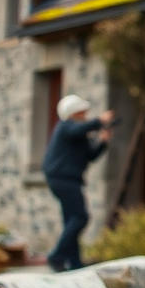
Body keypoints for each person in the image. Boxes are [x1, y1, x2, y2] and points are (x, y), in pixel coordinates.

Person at [42, 94, 114, 271]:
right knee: (80, 217)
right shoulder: (65, 127)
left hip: (68, 179)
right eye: (82, 111)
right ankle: (57, 256)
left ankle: (74, 263)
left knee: (71, 220)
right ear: (74, 112)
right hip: (63, 179)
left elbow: (90, 155)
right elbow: (78, 130)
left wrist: (103, 142)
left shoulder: (78, 133)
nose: (85, 114)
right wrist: (99, 121)